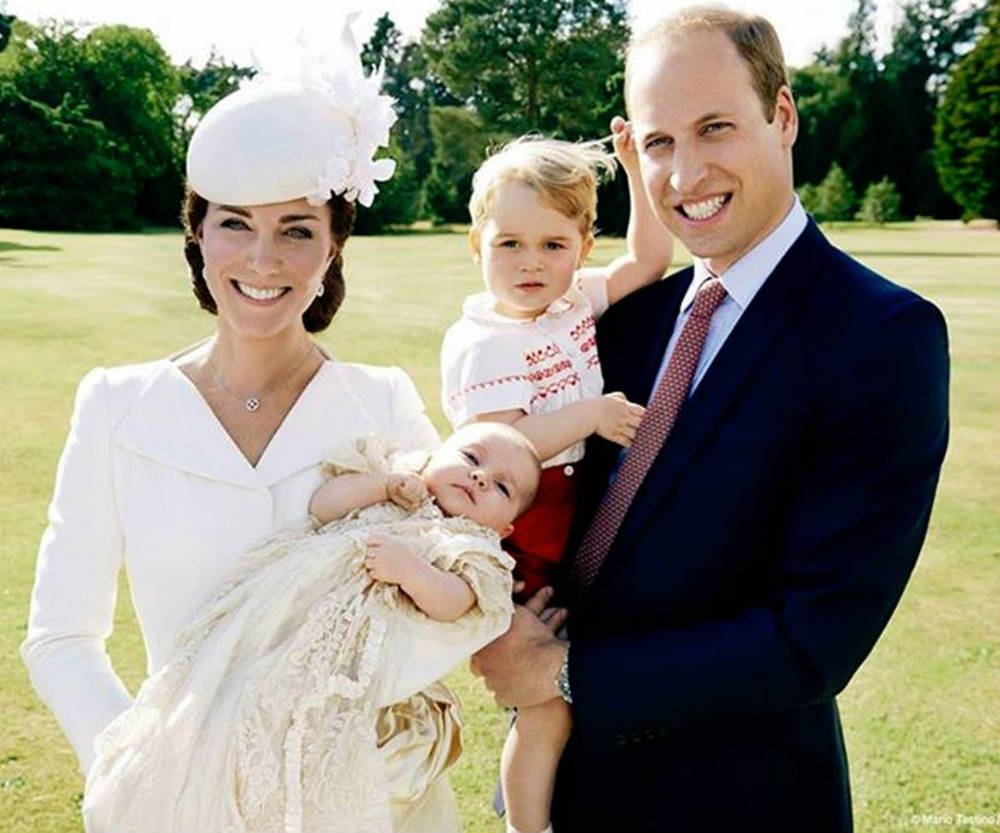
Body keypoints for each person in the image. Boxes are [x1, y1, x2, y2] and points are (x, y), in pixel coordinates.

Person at [470, 7, 950, 833]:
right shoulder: (624, 320)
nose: (685, 173)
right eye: (659, 142)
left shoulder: (881, 336)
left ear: (784, 115)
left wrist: (564, 673)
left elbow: (813, 638)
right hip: (567, 792)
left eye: (715, 129)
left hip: (734, 800)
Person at [20, 26, 453, 833]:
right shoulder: (116, 405)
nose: (263, 259)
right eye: (234, 224)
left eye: (296, 228)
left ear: (332, 248)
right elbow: (60, 635)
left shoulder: (383, 404)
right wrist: (141, 772)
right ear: (197, 232)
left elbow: (442, 608)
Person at [83, 423, 541, 833]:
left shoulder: (473, 547)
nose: (480, 476)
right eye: (471, 458)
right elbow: (324, 506)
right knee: (235, 692)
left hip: (346, 648)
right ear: (435, 454)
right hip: (285, 608)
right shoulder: (396, 480)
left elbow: (457, 601)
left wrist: (411, 572)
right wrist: (381, 485)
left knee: (310, 725)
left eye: (502, 486)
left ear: (504, 527)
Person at [439, 134, 672, 833]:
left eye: (553, 244)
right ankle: (527, 824)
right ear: (476, 244)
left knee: (587, 679)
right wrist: (591, 414)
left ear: (582, 246)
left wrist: (635, 169)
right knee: (546, 699)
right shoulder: (484, 340)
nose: (531, 263)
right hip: (522, 528)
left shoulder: (574, 302)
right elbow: (498, 455)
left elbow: (652, 260)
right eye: (509, 243)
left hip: (576, 512)